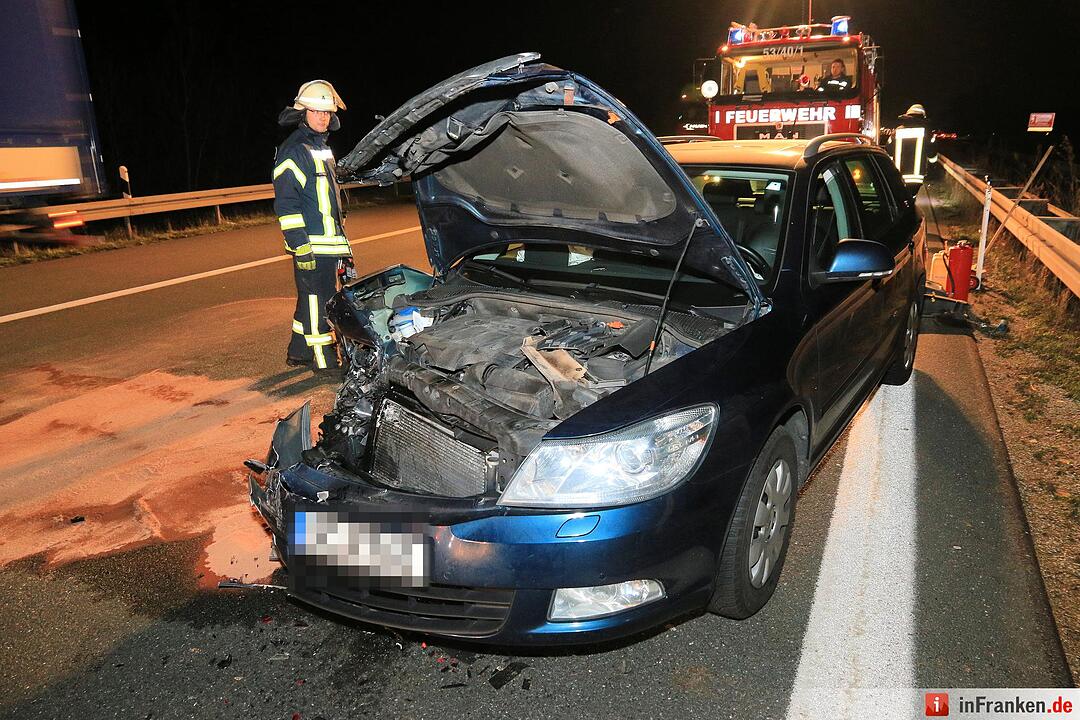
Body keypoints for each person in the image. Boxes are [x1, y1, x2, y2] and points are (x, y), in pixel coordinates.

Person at [272, 80, 351, 375]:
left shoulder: (321, 148)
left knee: (309, 298)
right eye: (317, 112)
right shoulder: (295, 150)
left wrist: (342, 243)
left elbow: (328, 201)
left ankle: (299, 351)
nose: (323, 117)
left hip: (328, 243)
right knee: (320, 302)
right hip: (311, 245)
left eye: (327, 112)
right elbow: (287, 206)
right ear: (302, 112)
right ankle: (324, 361)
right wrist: (300, 245)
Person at [892, 103, 934, 187]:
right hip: (916, 178)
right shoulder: (926, 133)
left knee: (899, 198)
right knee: (911, 197)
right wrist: (932, 168)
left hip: (897, 175)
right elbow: (932, 154)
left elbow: (888, 150)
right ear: (922, 117)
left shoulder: (897, 131)